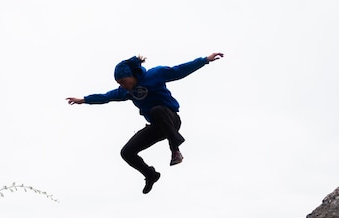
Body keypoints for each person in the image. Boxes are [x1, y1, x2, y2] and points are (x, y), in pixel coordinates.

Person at [67, 52, 224, 194]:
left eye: (123, 81)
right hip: (156, 127)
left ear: (132, 75)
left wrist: (204, 60)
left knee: (157, 110)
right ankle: (151, 175)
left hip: (171, 120)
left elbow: (179, 71)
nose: (122, 86)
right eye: (119, 83)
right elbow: (106, 97)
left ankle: (175, 150)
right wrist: (84, 100)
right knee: (126, 152)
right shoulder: (125, 91)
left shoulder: (155, 74)